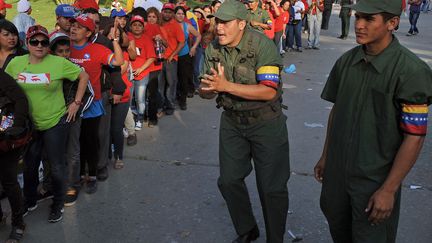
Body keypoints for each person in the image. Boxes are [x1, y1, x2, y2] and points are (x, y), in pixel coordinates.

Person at [314, 0, 432, 242]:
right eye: (358, 17)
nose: (359, 25)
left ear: (392, 23)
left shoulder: (411, 71)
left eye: (369, 19)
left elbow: (415, 136)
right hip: (337, 176)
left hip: (374, 181)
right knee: (338, 228)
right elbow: (337, 111)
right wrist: (327, 156)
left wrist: (389, 189)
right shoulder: (347, 62)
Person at [199, 1, 290, 242]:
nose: (219, 28)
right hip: (232, 121)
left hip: (266, 122)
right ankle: (247, 228)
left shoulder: (263, 45)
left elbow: (269, 91)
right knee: (228, 181)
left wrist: (225, 86)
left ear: (241, 24)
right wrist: (208, 89)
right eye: (217, 21)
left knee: (271, 188)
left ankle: (275, 238)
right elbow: (206, 88)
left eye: (225, 23)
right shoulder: (214, 48)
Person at [5, 25, 89, 223]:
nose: (39, 45)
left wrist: (76, 103)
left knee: (56, 165)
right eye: (35, 41)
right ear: (28, 43)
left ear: (48, 45)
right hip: (29, 124)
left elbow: (83, 76)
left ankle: (57, 203)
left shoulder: (58, 63)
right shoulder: (16, 63)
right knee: (30, 165)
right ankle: (30, 200)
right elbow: (5, 85)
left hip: (55, 121)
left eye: (43, 42)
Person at [69, 14, 123, 194]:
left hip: (92, 103)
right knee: (74, 143)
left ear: (88, 32)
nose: (74, 28)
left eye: (79, 26)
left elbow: (118, 62)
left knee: (90, 140)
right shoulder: (64, 48)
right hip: (70, 104)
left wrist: (115, 41)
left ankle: (91, 175)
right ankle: (76, 177)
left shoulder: (97, 49)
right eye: (73, 25)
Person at [0, 68, 29, 243]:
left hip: (5, 136)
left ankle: (18, 223)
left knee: (9, 181)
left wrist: (15, 129)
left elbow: (20, 99)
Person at [128, 15, 156, 129]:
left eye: (140, 25)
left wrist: (140, 69)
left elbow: (152, 57)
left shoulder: (146, 39)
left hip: (142, 73)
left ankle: (139, 119)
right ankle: (128, 121)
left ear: (143, 27)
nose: (137, 27)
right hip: (128, 73)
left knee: (140, 99)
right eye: (134, 25)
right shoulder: (128, 37)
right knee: (128, 99)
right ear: (130, 26)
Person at [159, 3, 185, 115]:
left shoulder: (175, 25)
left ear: (172, 14)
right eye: (165, 11)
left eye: (170, 12)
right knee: (160, 84)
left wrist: (172, 55)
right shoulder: (158, 24)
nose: (167, 14)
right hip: (158, 59)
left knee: (171, 83)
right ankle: (160, 106)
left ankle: (170, 106)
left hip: (171, 59)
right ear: (162, 12)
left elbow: (182, 42)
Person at [174, 6, 201, 110]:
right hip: (172, 56)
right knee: (173, 79)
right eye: (178, 13)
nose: (180, 16)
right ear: (174, 15)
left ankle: (183, 101)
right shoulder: (170, 26)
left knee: (183, 78)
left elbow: (198, 36)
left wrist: (193, 47)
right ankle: (174, 98)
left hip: (184, 55)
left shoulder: (187, 26)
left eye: (182, 14)